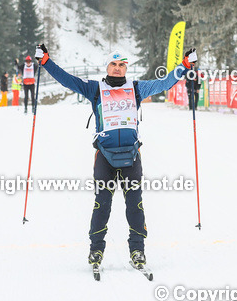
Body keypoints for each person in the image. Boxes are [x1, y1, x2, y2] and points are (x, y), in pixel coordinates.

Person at [35, 43, 196, 270]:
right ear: (107, 67)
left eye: (122, 65)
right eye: (114, 64)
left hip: (131, 155)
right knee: (102, 204)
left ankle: (137, 251)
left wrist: (184, 66)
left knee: (135, 205)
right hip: (105, 156)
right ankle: (96, 250)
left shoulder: (137, 88)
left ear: (126, 68)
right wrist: (46, 62)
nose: (118, 68)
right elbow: (68, 80)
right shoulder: (95, 89)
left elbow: (164, 83)